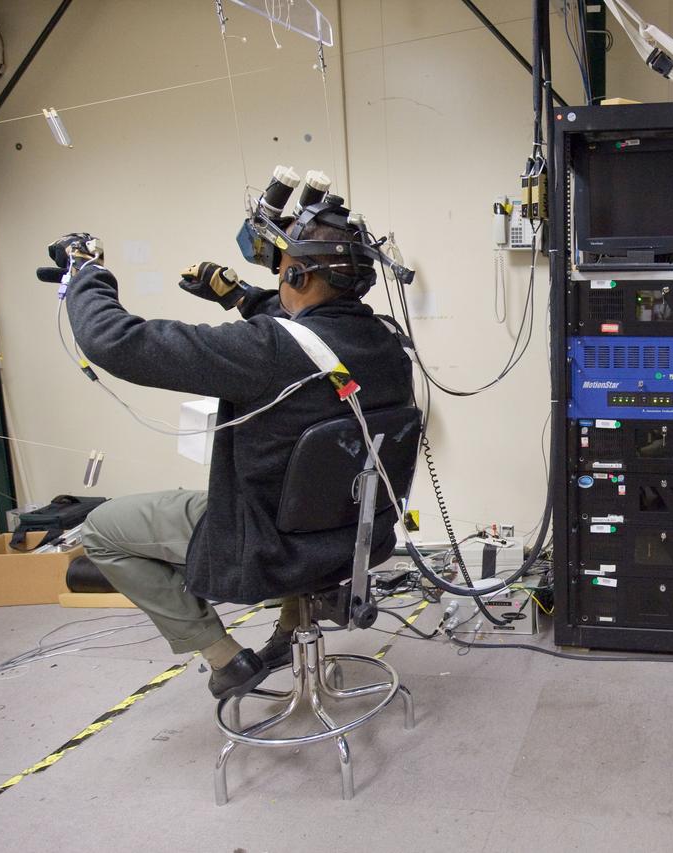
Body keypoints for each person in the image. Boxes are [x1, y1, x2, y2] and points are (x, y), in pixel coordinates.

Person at [42, 195, 415, 700]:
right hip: (353, 538)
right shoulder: (386, 343)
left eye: (281, 269)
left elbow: (115, 341)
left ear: (298, 277)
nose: (277, 278)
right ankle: (291, 625)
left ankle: (224, 658)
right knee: (299, 496)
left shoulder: (266, 351)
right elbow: (314, 328)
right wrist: (236, 294)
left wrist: (85, 271)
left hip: (265, 544)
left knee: (102, 530)